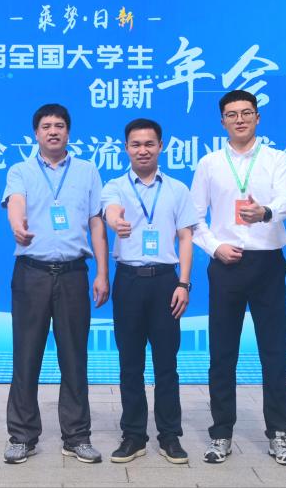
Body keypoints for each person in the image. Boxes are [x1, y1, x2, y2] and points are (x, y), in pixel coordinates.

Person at [190, 89, 286, 466]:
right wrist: (215, 247)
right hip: (226, 265)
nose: (240, 119)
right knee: (222, 355)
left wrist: (266, 212)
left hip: (267, 263)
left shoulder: (276, 159)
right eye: (232, 114)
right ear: (222, 121)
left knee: (274, 353)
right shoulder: (209, 164)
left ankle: (280, 434)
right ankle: (221, 433)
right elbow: (194, 217)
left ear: (257, 118)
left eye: (246, 113)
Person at [1, 103, 110, 465]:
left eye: (59, 125)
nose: (53, 131)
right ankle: (22, 436)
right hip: (31, 273)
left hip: (74, 273)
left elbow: (96, 222)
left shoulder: (87, 170)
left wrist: (102, 272)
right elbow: (16, 202)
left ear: (68, 132)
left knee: (74, 357)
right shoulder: (21, 170)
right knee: (26, 356)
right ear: (36, 133)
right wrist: (17, 225)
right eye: (46, 126)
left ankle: (77, 436)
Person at [101, 118, 196, 464]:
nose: (143, 150)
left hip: (166, 282)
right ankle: (133, 436)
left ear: (161, 147)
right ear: (126, 148)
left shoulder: (177, 189)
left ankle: (170, 436)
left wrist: (183, 283)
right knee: (130, 363)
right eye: (136, 144)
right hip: (128, 281)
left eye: (149, 144)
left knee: (166, 363)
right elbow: (110, 210)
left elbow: (186, 237)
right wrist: (116, 221)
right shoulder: (115, 186)